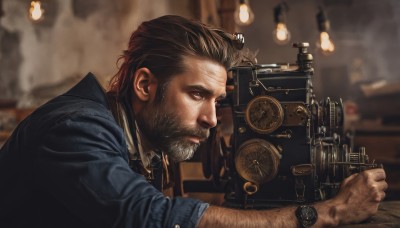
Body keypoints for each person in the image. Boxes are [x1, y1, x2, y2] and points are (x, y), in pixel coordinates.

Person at [0, 15, 387, 228]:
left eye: (218, 100)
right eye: (197, 95)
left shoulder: (134, 134)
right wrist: (331, 212)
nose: (211, 119)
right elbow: (147, 217)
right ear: (145, 84)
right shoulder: (76, 129)